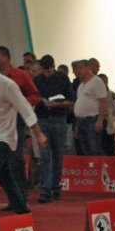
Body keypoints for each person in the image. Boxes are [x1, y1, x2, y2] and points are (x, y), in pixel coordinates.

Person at [0, 49, 46, 214]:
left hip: (3, 138)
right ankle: (22, 209)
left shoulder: (7, 85)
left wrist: (39, 134)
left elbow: (25, 108)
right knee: (5, 177)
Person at [0, 46, 41, 208]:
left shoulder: (21, 75)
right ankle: (13, 198)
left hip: (16, 122)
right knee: (3, 161)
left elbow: (35, 95)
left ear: (6, 58)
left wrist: (21, 105)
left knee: (16, 159)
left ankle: (22, 198)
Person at [34, 54, 75, 203]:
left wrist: (56, 104)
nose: (47, 74)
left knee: (58, 155)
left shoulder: (62, 78)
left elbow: (71, 100)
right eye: (44, 72)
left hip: (59, 119)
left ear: (53, 67)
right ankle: (46, 190)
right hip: (43, 119)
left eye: (49, 71)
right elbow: (32, 97)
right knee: (45, 156)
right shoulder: (37, 80)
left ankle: (55, 187)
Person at [74, 59, 107, 156]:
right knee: (85, 149)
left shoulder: (97, 82)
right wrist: (77, 125)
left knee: (94, 147)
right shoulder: (81, 85)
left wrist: (100, 120)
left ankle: (103, 167)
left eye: (80, 68)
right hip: (81, 121)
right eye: (77, 68)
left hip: (92, 119)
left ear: (88, 68)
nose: (78, 71)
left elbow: (103, 102)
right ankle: (92, 169)